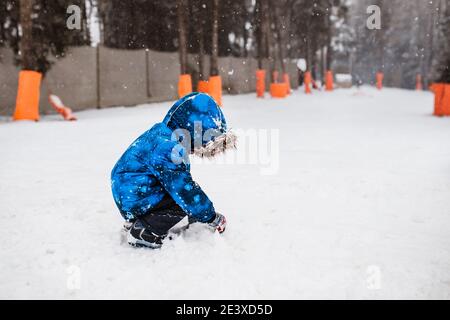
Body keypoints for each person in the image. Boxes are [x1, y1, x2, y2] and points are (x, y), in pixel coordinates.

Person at [111, 93, 236, 248]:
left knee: (182, 201)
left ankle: (143, 219)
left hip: (132, 188)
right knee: (181, 202)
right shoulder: (168, 149)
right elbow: (184, 190)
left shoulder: (165, 135)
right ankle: (144, 232)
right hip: (134, 192)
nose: (194, 151)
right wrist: (211, 217)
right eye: (198, 145)